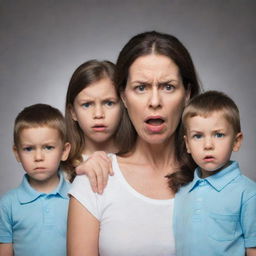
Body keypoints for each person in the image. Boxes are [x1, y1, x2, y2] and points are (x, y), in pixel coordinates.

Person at [67, 31, 201, 256]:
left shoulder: (215, 178)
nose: (155, 102)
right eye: (141, 87)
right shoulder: (94, 181)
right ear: (123, 96)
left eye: (168, 86)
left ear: (187, 94)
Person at [174, 90, 256, 256]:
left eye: (218, 135)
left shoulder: (248, 193)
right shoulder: (182, 192)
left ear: (236, 141)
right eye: (198, 136)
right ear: (187, 144)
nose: (208, 145)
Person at [0, 104, 71, 256]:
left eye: (48, 147)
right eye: (29, 149)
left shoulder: (78, 197)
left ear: (64, 151)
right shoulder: (7, 204)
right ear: (17, 153)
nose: (38, 157)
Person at [64, 60, 122, 184]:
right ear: (73, 112)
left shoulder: (140, 159)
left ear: (123, 105)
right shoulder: (58, 171)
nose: (98, 114)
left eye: (109, 103)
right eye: (87, 105)